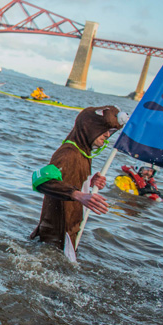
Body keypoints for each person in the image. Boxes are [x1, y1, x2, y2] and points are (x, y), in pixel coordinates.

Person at [30, 105, 126, 251]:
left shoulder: (84, 154)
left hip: (71, 228)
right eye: (104, 129)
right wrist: (77, 194)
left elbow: (68, 180)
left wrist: (89, 183)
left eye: (111, 132)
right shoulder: (69, 152)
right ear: (90, 127)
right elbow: (42, 180)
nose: (107, 135)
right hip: (56, 234)